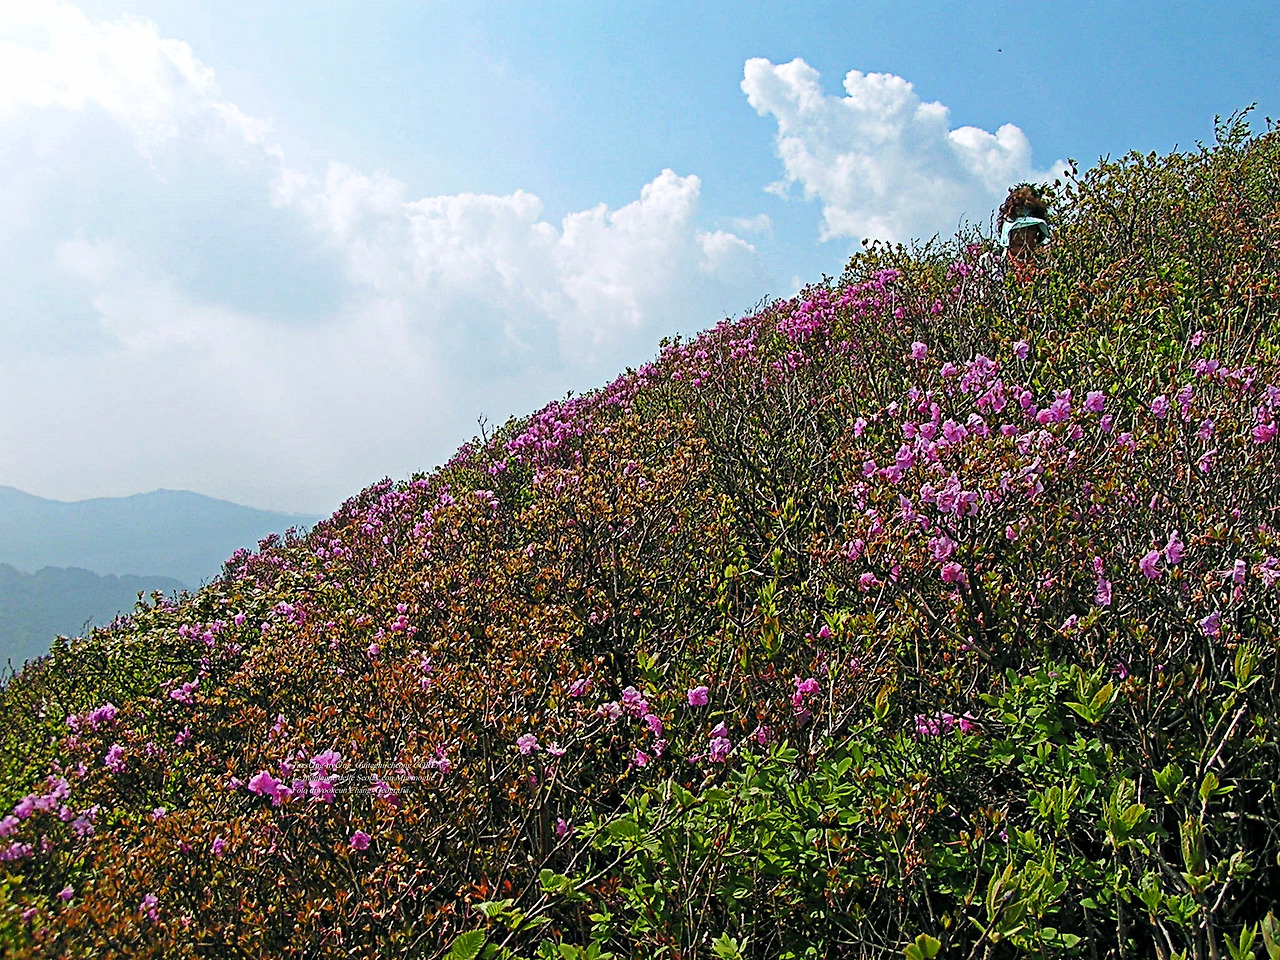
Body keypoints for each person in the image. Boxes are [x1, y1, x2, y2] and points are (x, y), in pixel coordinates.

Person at [998, 184, 1051, 264]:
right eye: (1017, 229)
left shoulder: (1048, 264)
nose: (1023, 236)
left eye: (1029, 229)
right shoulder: (990, 262)